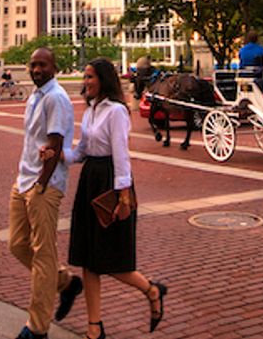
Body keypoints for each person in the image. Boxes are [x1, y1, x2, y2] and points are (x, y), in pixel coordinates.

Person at [58, 58, 166, 339]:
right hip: (89, 180)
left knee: (111, 259)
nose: (86, 82)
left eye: (90, 77)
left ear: (104, 80)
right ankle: (94, 327)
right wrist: (60, 156)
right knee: (88, 258)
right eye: (85, 77)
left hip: (109, 181)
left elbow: (121, 155)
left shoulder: (116, 111)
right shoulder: (92, 109)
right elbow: (82, 150)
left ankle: (151, 290)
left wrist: (124, 196)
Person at [8, 47, 78, 339]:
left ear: (54, 67)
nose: (36, 70)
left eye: (42, 65)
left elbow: (55, 144)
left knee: (43, 254)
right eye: (33, 65)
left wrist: (41, 184)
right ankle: (65, 283)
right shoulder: (35, 96)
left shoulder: (56, 99)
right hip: (24, 180)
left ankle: (36, 329)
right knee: (17, 244)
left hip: (43, 185)